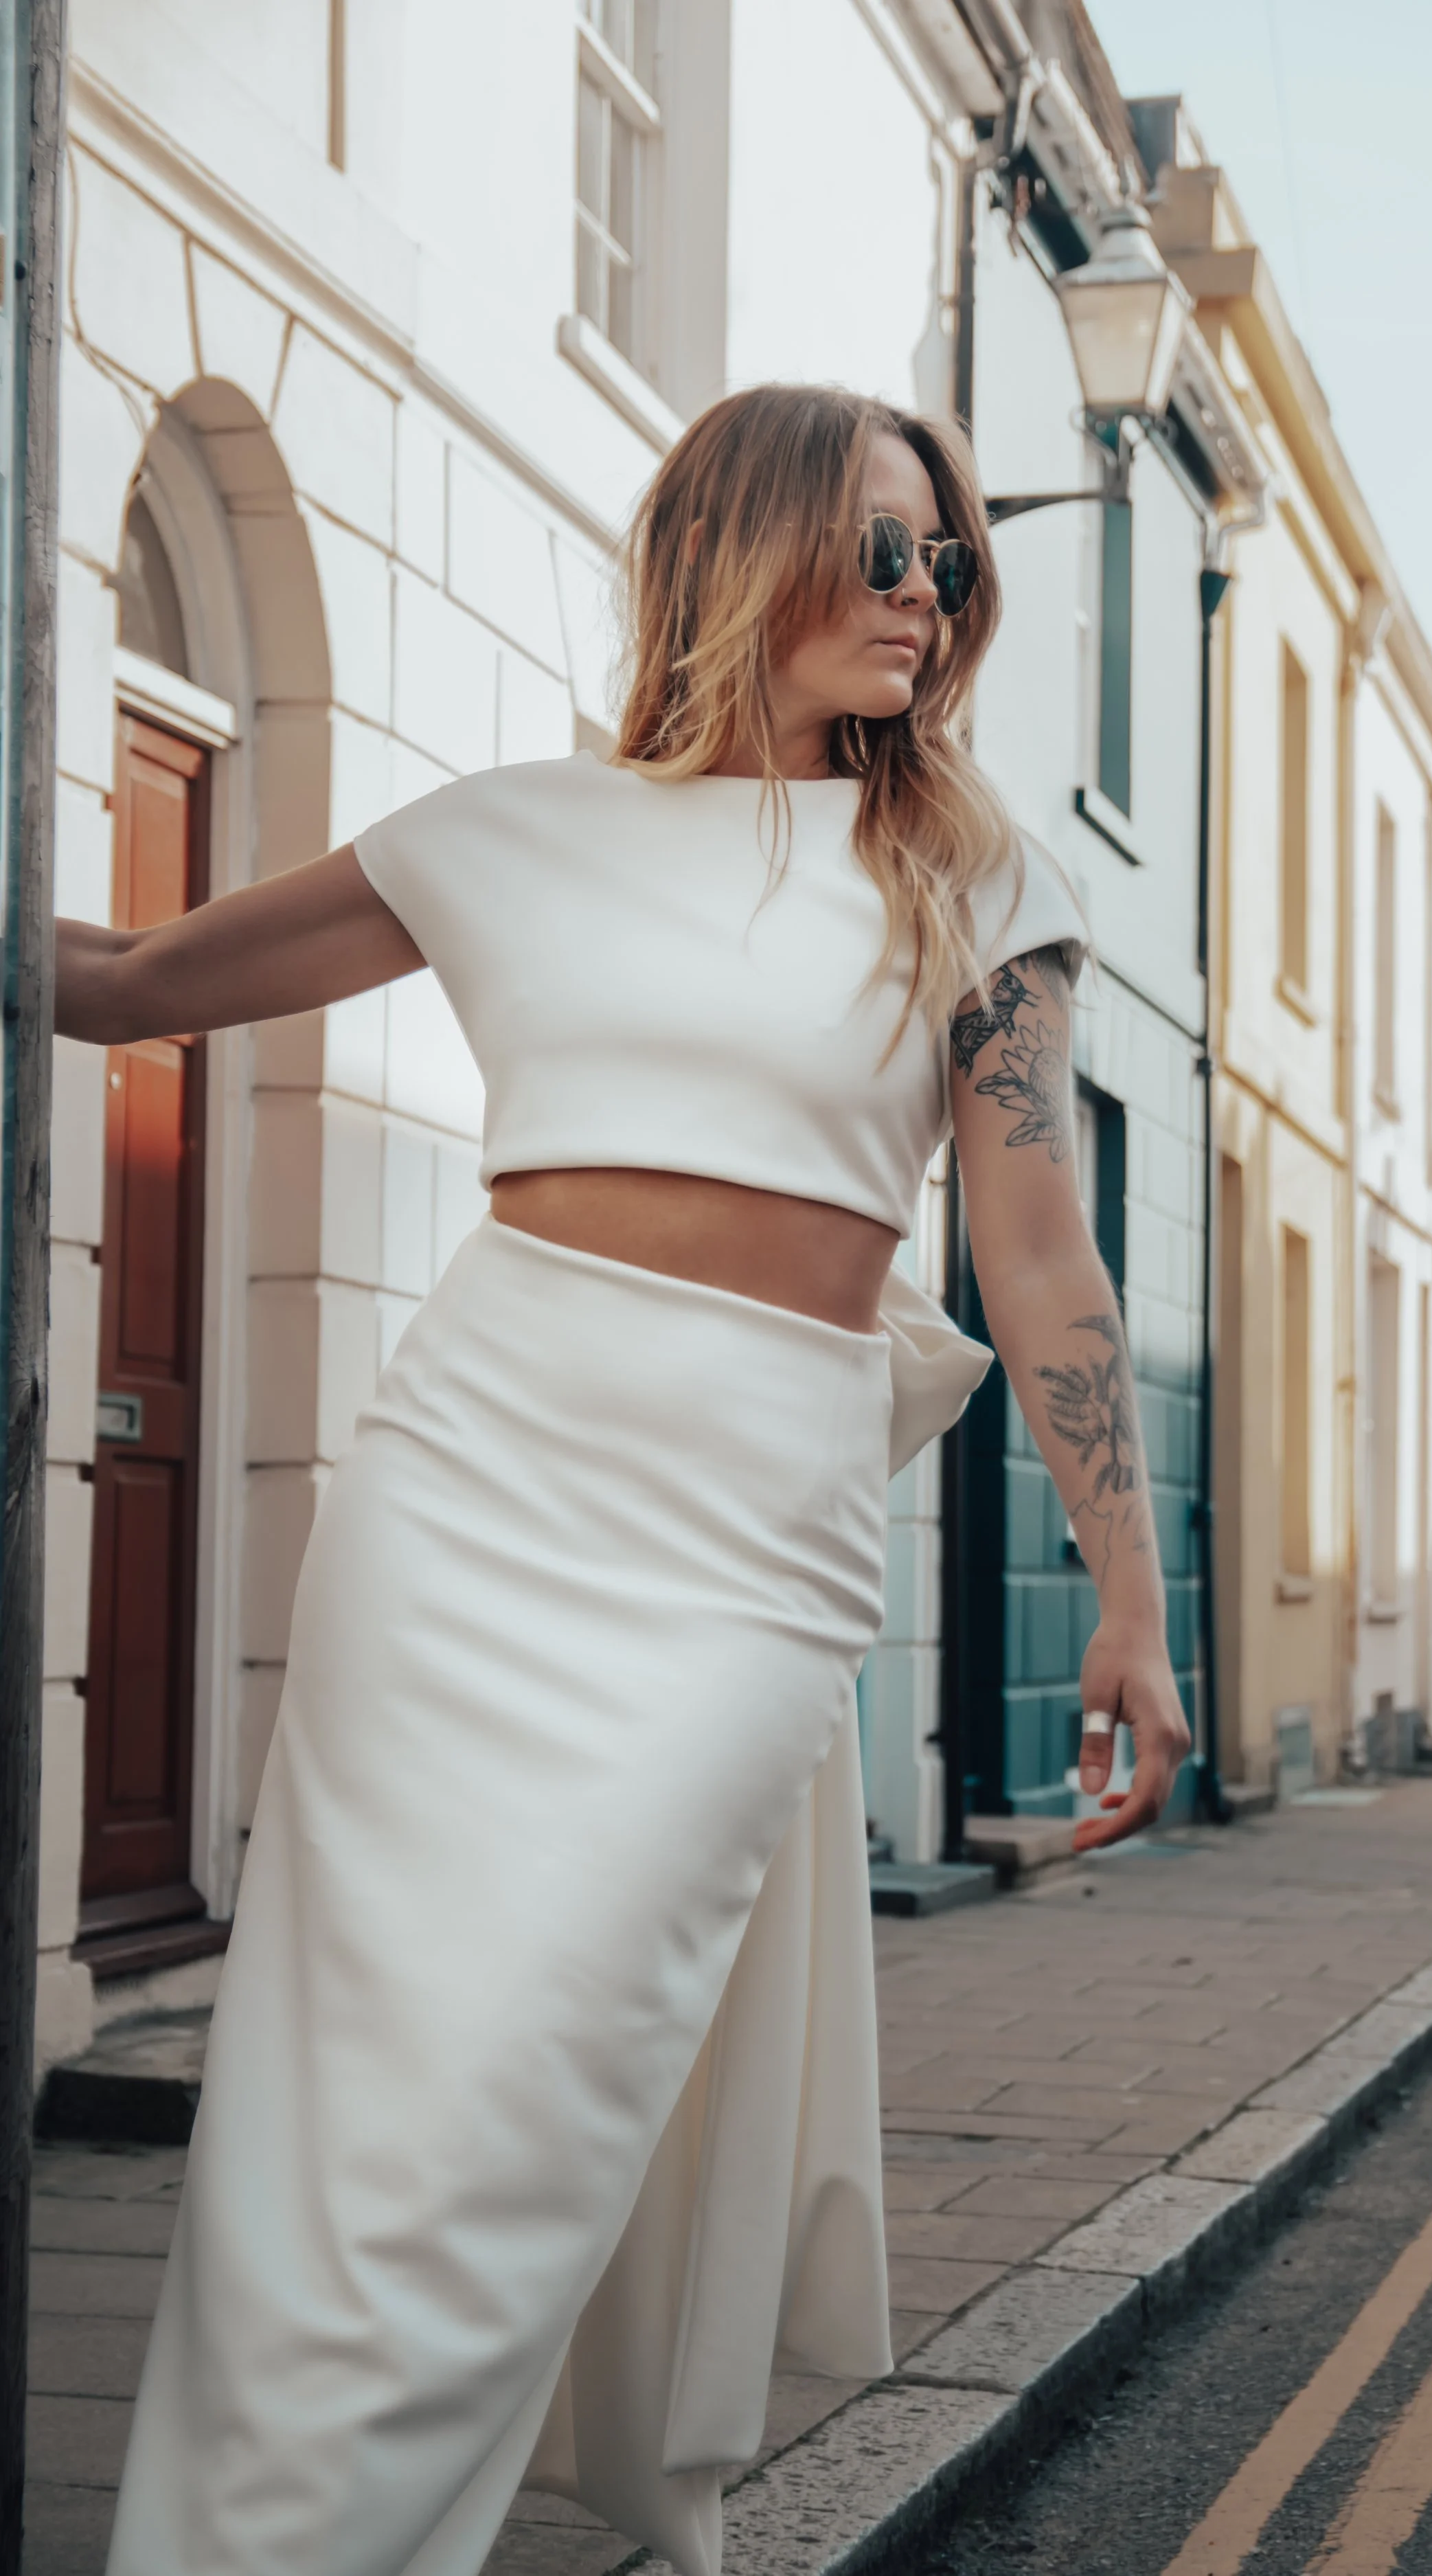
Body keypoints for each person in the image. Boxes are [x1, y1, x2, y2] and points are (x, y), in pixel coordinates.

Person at [56, 382, 1191, 2576]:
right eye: (881, 546)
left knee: (537, 2096)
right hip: (468, 1496)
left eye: (949, 560)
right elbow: (127, 984)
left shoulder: (968, 878)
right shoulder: (508, 832)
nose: (925, 594)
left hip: (750, 1541)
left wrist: (1127, 1597)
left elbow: (1043, 1252)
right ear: (738, 549)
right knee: (350, 2097)